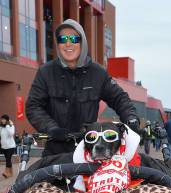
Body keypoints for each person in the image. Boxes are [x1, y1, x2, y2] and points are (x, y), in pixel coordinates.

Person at [25, 19, 139, 157]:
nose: (68, 43)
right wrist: (52, 128)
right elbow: (33, 106)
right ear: (58, 44)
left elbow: (119, 98)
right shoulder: (45, 72)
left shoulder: (98, 73)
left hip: (89, 149)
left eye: (73, 38)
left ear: (82, 42)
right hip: (55, 151)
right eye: (62, 39)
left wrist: (131, 118)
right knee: (40, 177)